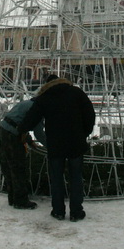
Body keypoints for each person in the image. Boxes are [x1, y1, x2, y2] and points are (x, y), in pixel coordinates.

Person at [18, 74, 95, 222]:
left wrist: (20, 129)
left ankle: (58, 211)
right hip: (76, 143)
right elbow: (89, 113)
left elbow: (31, 118)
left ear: (47, 84)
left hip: (56, 144)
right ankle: (76, 212)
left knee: (57, 179)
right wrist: (85, 132)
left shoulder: (45, 97)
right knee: (76, 178)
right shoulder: (76, 92)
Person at [0, 98, 46, 210]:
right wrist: (51, 146)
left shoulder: (27, 103)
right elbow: (39, 133)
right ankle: (20, 200)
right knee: (18, 166)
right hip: (13, 134)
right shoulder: (38, 109)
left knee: (7, 164)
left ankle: (12, 197)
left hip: (4, 129)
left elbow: (20, 122)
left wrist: (29, 140)